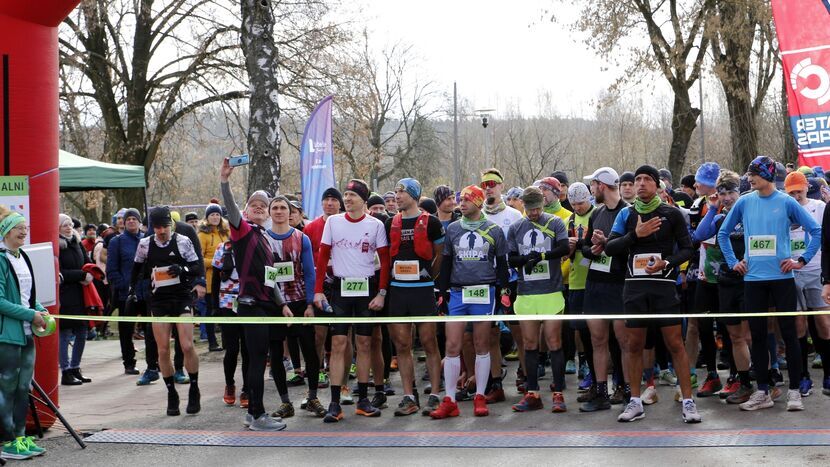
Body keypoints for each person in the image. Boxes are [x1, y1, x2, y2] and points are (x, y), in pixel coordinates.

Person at [718, 156, 821, 412]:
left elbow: (815, 230)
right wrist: (734, 262)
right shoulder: (744, 201)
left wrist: (802, 259)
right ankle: (763, 391)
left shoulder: (786, 201)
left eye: (754, 174)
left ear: (767, 174)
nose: (749, 178)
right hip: (753, 279)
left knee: (790, 335)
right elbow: (722, 233)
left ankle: (795, 391)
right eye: (749, 174)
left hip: (783, 278)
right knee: (758, 337)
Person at [605, 165, 700, 423]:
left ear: (658, 185)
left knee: (675, 344)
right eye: (638, 179)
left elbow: (688, 249)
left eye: (647, 179)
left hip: (664, 287)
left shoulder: (672, 213)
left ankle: (689, 402)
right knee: (634, 345)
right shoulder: (626, 215)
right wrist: (635, 235)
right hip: (634, 288)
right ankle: (635, 402)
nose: (642, 183)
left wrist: (667, 263)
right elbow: (611, 248)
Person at [220, 158, 290, 431]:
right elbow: (231, 207)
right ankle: (256, 414)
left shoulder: (266, 239)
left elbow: (271, 279)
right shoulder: (243, 231)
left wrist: (282, 304)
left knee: (261, 360)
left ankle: (255, 413)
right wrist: (225, 181)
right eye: (254, 205)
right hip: (251, 306)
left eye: (265, 205)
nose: (259, 207)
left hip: (266, 306)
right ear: (247, 212)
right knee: (258, 361)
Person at [313, 179, 390, 422]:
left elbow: (385, 261)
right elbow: (323, 258)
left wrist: (381, 293)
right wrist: (318, 291)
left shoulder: (375, 224)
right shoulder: (334, 222)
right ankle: (334, 403)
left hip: (366, 288)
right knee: (337, 344)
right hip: (340, 289)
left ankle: (364, 399)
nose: (346, 199)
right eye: (345, 195)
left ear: (363, 200)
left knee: (364, 344)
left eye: (352, 196)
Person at [430, 185, 510, 419]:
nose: (461, 204)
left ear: (478, 202)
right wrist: (441, 293)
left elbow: (503, 265)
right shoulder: (453, 229)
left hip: (483, 292)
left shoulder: (494, 230)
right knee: (452, 345)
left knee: (481, 344)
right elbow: (445, 263)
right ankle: (450, 400)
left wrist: (504, 291)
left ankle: (480, 396)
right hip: (457, 292)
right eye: (460, 200)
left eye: (466, 200)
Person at [129, 206, 203, 417]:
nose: (161, 231)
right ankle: (171, 393)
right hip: (159, 301)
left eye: (165, 227)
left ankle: (194, 388)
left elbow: (196, 267)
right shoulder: (145, 244)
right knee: (162, 350)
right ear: (153, 227)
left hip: (181, 298)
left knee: (187, 345)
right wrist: (132, 291)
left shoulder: (182, 241)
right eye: (157, 227)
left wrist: (183, 270)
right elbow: (136, 270)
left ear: (172, 225)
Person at [384, 178, 445, 416]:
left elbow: (440, 253)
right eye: (396, 191)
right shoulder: (391, 222)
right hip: (398, 290)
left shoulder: (431, 222)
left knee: (429, 341)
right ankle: (409, 396)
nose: (397, 196)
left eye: (402, 192)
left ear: (414, 195)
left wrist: (431, 276)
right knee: (401, 344)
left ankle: (435, 394)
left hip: (423, 289)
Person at [507, 186, 570, 412]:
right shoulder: (516, 227)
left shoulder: (554, 223)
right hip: (526, 293)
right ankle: (532, 392)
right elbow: (511, 258)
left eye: (537, 209)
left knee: (554, 342)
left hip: (551, 292)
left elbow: (564, 247)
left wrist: (541, 255)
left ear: (543, 204)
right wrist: (524, 260)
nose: (533, 213)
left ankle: (558, 393)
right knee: (530, 344)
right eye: (529, 209)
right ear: (523, 206)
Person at [693, 170, 753, 404]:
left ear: (740, 191)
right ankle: (734, 381)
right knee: (724, 332)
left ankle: (761, 380)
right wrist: (714, 207)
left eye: (730, 192)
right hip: (719, 279)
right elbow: (699, 234)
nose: (726, 197)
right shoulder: (718, 215)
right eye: (722, 193)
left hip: (748, 279)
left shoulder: (749, 211)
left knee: (749, 334)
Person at [266, 195, 327, 419]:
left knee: (309, 350)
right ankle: (285, 402)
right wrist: (279, 304)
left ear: (290, 212)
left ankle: (312, 397)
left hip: (301, 301)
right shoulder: (263, 239)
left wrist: (310, 304)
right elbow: (266, 276)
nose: (280, 211)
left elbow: (310, 272)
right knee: (276, 354)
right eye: (276, 208)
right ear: (270, 212)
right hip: (274, 304)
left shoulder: (302, 238)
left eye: (284, 208)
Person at [0, 207, 49, 460]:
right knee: (7, 387)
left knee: (23, 388)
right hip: (8, 335)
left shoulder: (23, 256)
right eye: (19, 227)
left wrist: (41, 310)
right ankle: (7, 441)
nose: (24, 231)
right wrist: (31, 314)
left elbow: (28, 296)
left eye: (25, 227)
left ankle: (20, 437)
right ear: (6, 232)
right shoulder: (0, 259)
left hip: (28, 333)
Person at [580, 167, 629, 412]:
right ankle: (601, 392)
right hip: (595, 284)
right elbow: (587, 249)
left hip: (619, 284)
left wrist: (607, 244)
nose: (591, 189)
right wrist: (594, 249)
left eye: (593, 184)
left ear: (603, 186)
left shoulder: (628, 213)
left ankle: (627, 389)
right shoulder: (596, 213)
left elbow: (632, 247)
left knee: (623, 341)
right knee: (597, 339)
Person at [784, 171, 829, 397]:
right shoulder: (783, 208)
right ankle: (803, 376)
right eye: (791, 192)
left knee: (823, 323)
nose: (795, 196)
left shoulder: (819, 207)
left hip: (816, 270)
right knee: (799, 325)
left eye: (799, 191)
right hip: (791, 274)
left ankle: (828, 375)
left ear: (805, 188)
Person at [481, 168, 523, 403]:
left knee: (519, 332)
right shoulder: (479, 216)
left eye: (493, 184)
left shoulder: (514, 216)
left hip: (512, 280)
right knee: (491, 335)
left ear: (501, 186)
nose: (489, 188)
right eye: (485, 184)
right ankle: (496, 383)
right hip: (487, 282)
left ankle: (527, 380)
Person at [303, 187, 344, 391]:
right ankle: (318, 370)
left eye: (334, 200)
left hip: (343, 284)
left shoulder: (346, 223)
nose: (330, 203)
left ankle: (344, 374)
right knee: (319, 334)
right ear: (321, 203)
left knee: (344, 335)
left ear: (339, 203)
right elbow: (306, 262)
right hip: (321, 286)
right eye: (326, 199)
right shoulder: (311, 228)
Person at [106, 208, 152, 378]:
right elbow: (111, 270)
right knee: (126, 331)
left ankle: (152, 364)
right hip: (126, 294)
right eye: (128, 219)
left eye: (135, 218)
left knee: (151, 330)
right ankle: (129, 363)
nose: (131, 221)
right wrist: (125, 286)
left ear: (140, 222)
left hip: (146, 292)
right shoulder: (116, 242)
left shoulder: (147, 240)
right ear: (124, 223)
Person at [58, 213, 93, 386]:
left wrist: (91, 273)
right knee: (65, 334)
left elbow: (88, 262)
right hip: (65, 295)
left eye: (70, 223)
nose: (69, 226)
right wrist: (81, 275)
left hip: (81, 294)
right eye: (64, 224)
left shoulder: (77, 243)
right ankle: (65, 371)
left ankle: (75, 367)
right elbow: (59, 272)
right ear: (57, 227)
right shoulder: (57, 246)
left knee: (82, 332)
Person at [197, 203, 229, 352]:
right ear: (207, 218)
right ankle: (212, 342)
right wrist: (217, 262)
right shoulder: (202, 235)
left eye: (217, 214)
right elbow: (198, 258)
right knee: (210, 311)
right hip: (210, 280)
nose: (215, 217)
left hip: (227, 280)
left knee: (225, 311)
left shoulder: (226, 232)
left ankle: (228, 339)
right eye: (212, 215)